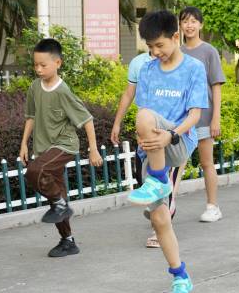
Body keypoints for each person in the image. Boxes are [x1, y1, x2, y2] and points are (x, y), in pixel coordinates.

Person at [126, 10, 208, 293]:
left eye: (159, 45)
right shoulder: (147, 70)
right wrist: (145, 138)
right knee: (160, 219)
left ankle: (160, 180)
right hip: (152, 149)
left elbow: (195, 115)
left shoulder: (194, 68)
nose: (155, 52)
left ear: (176, 37)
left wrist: (170, 135)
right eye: (150, 47)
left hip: (177, 141)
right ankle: (180, 276)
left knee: (145, 115)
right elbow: (144, 116)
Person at [19, 38, 103, 258]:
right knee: (56, 196)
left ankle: (59, 203)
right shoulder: (34, 87)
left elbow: (86, 119)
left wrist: (93, 149)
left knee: (35, 171)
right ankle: (68, 240)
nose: (38, 69)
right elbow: (30, 117)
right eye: (35, 65)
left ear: (58, 63)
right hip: (44, 149)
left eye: (43, 65)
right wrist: (24, 144)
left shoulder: (63, 91)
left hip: (64, 145)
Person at [111, 49, 180, 248]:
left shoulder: (177, 61)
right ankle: (160, 214)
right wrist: (117, 123)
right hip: (145, 127)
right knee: (143, 175)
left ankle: (159, 229)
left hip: (167, 129)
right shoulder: (138, 63)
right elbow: (129, 93)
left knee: (162, 177)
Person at [179, 6, 226, 221]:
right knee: (176, 165)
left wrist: (216, 117)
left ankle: (212, 206)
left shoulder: (209, 51)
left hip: (204, 116)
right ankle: (165, 207)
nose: (189, 25)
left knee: (206, 162)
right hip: (181, 118)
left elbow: (216, 86)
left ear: (200, 25)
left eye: (193, 21)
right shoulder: (177, 52)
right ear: (180, 25)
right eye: (185, 21)